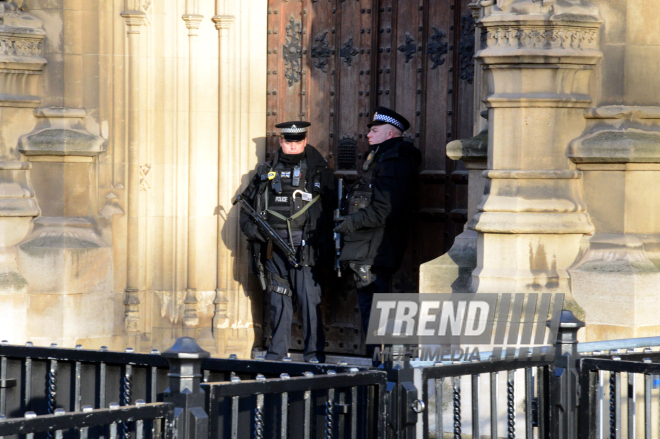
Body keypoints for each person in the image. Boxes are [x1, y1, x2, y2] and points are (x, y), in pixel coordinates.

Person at [239, 121, 334, 362]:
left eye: (297, 142)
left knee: (308, 301)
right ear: (281, 142)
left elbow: (333, 212)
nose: (293, 146)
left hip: (306, 249)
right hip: (273, 249)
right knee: (278, 302)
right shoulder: (264, 173)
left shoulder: (320, 172)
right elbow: (246, 213)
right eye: (288, 141)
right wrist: (260, 235)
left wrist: (321, 243)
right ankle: (276, 355)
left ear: (304, 141)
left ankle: (314, 356)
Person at [334, 107, 421, 359]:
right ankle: (379, 364)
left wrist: (349, 223)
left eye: (374, 131)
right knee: (372, 307)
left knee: (374, 309)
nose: (368, 136)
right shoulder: (382, 157)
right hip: (369, 246)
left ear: (391, 132)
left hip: (376, 247)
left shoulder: (394, 161)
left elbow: (385, 209)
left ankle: (381, 368)